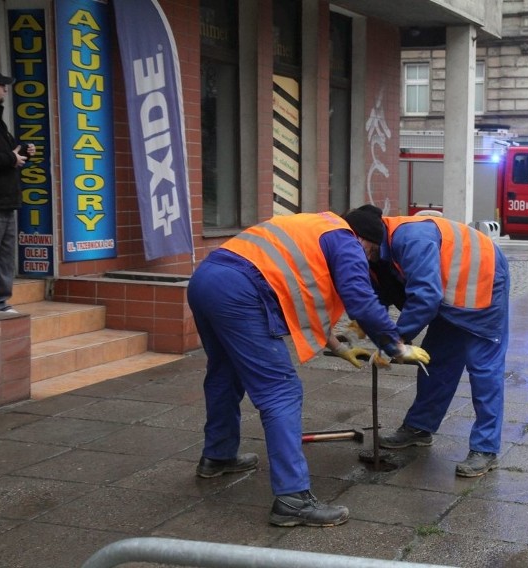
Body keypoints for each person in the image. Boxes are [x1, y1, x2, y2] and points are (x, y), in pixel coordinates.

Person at [187, 210, 430, 528]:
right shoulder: (345, 241)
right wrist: (395, 345)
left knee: (224, 374)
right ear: (362, 239)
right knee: (281, 391)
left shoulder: (316, 227)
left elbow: (299, 294)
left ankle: (217, 455)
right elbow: (360, 299)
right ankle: (292, 499)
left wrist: (339, 347)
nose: (367, 259)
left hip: (206, 279)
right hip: (238, 291)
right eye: (370, 251)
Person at [344, 206, 510, 478]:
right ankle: (419, 428)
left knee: (484, 369)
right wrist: (358, 327)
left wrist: (395, 341)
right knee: (437, 359)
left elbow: (425, 296)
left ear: (366, 237)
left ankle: (486, 449)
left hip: (483, 282)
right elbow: (374, 296)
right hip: (449, 293)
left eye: (356, 245)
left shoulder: (411, 239)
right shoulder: (376, 251)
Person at [0, 71, 36, 314]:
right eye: (2, 85)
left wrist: (24, 153)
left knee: (5, 257)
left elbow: (11, 155)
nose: (6, 90)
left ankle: (0, 302)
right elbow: (6, 158)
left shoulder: (0, 122)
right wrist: (11, 158)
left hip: (7, 201)